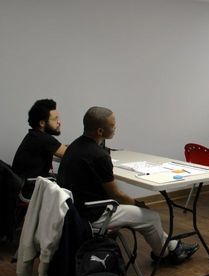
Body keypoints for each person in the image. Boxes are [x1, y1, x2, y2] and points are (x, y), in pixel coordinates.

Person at [57, 106, 198, 264]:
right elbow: (116, 195)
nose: (115, 127)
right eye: (112, 124)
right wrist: (139, 204)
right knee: (151, 217)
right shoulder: (99, 156)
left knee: (144, 215)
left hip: (74, 210)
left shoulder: (74, 146)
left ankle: (172, 246)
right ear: (100, 132)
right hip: (93, 215)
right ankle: (165, 255)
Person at [12, 99, 68, 197]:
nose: (59, 122)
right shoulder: (43, 138)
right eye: (55, 119)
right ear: (42, 123)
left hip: (27, 186)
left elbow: (64, 149)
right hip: (31, 191)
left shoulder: (34, 135)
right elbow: (72, 154)